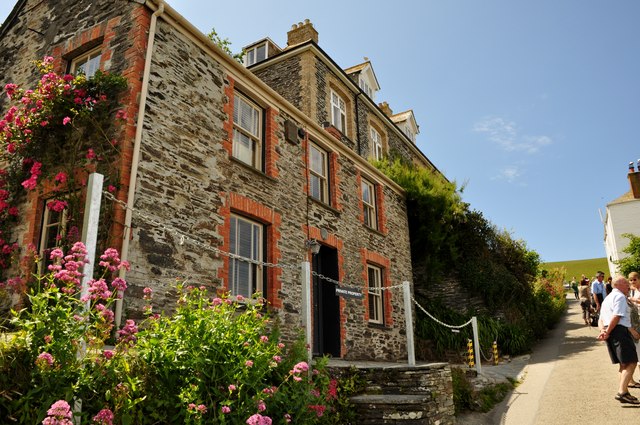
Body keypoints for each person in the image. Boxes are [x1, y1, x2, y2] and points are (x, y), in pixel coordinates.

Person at [598, 275, 639, 404]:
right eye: (626, 283)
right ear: (618, 285)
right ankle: (622, 392)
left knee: (624, 363)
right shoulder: (620, 297)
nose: (628, 286)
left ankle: (624, 391)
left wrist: (603, 331)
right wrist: (608, 332)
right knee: (631, 362)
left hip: (611, 331)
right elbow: (616, 316)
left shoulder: (608, 298)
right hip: (619, 331)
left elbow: (601, 319)